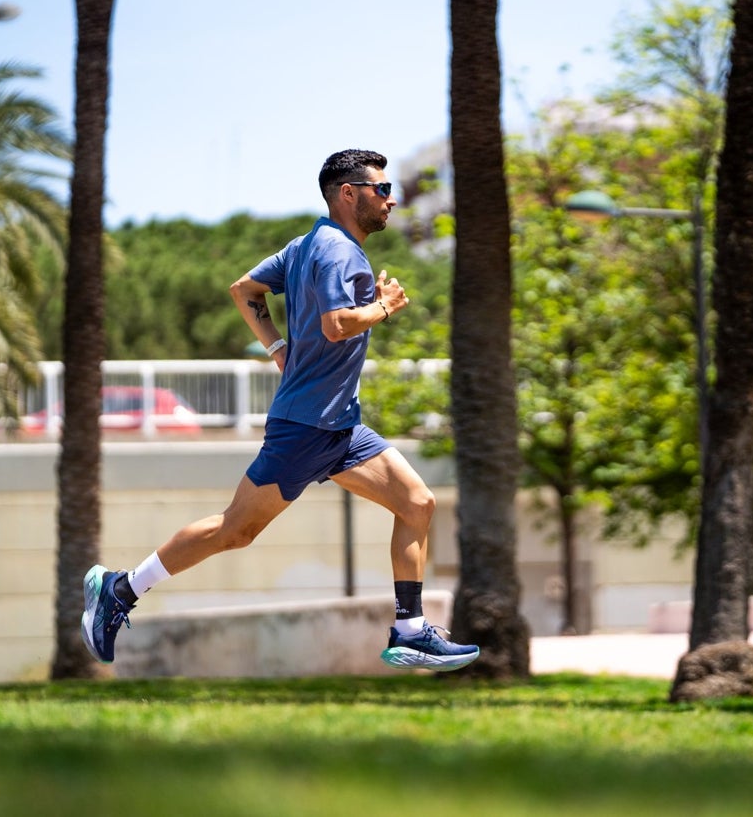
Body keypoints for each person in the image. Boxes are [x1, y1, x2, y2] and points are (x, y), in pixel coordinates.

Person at [81, 149, 479, 672]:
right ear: (348, 194)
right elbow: (337, 324)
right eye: (381, 190)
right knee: (235, 531)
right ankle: (121, 588)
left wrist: (276, 348)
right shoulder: (340, 253)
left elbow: (244, 290)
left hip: (339, 427)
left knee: (417, 503)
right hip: (306, 426)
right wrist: (384, 307)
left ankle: (409, 630)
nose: (390, 199)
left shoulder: (305, 244)